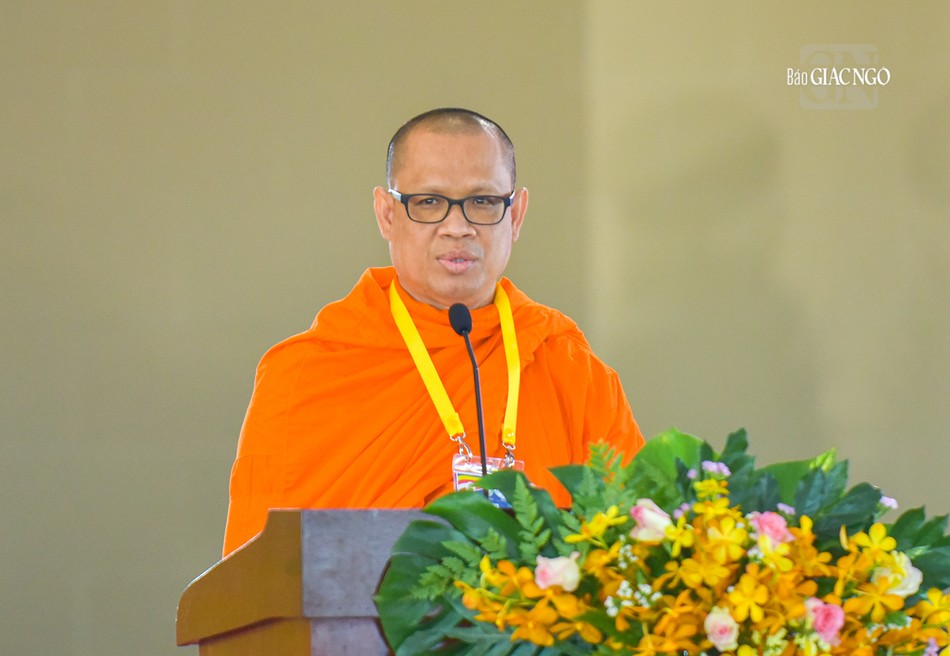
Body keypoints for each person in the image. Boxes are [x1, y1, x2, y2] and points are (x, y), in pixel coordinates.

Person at [222, 108, 644, 556]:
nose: (457, 227)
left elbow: (639, 552)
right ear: (387, 214)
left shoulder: (569, 368)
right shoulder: (305, 376)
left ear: (516, 215)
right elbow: (255, 585)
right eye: (428, 202)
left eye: (482, 202)